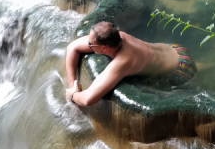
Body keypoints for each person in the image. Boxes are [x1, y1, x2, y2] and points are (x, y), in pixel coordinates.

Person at [64, 21, 196, 107]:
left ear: (104, 48)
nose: (88, 44)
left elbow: (88, 99)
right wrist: (73, 84)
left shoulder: (123, 62)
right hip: (175, 50)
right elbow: (72, 47)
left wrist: (72, 95)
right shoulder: (118, 36)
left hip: (181, 68)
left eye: (91, 44)